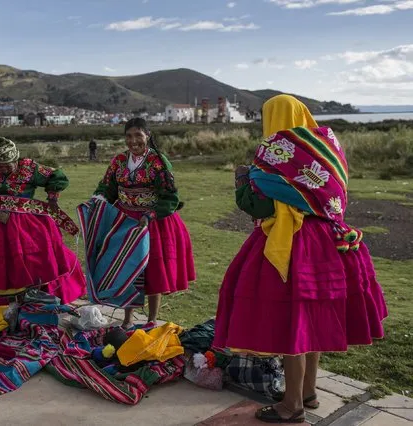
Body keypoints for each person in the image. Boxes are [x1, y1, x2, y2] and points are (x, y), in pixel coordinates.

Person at [212, 95, 388, 423]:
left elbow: (258, 206)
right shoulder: (328, 147)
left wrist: (241, 180)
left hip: (291, 244)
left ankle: (291, 405)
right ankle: (308, 390)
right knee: (310, 320)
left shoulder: (273, 154)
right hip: (328, 242)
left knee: (292, 323)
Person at [0, 137, 86, 304]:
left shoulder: (29, 168)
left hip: (22, 219)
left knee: (30, 254)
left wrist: (52, 198)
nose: (4, 168)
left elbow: (56, 176)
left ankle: (29, 291)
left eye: (8, 165)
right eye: (1, 166)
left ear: (16, 160)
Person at [91, 117, 195, 329]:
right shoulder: (119, 161)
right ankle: (128, 319)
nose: (133, 140)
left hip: (153, 221)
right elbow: (107, 189)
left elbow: (170, 197)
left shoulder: (158, 161)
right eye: (129, 136)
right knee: (128, 270)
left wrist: (149, 215)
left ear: (148, 136)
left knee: (152, 270)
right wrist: (98, 201)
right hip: (125, 222)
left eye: (138, 135)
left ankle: (151, 319)